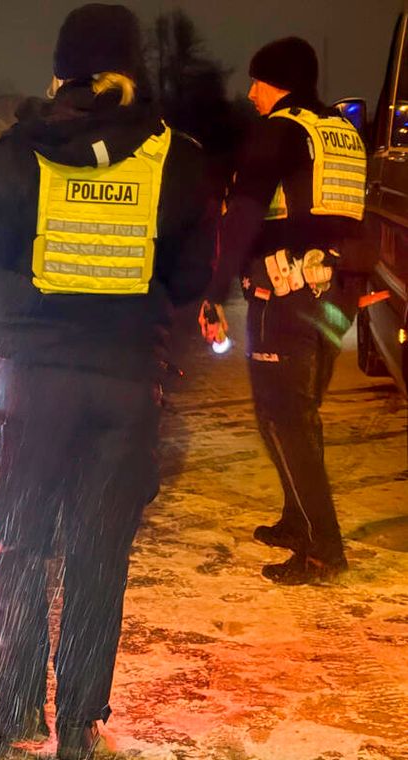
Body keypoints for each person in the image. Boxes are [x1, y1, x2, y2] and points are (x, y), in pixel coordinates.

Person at [0, 4, 216, 757]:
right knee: (96, 557)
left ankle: (14, 712)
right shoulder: (176, 159)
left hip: (27, 384)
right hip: (124, 386)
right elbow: (189, 281)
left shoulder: (15, 153)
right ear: (130, 70)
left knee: (14, 545)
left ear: (60, 73)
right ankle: (81, 726)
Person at [198, 37, 366, 586]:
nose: (250, 94)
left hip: (286, 290)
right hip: (334, 295)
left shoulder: (280, 131)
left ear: (280, 82)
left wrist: (216, 291)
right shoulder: (341, 132)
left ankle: (323, 550)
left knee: (285, 418)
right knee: (296, 413)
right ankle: (298, 520)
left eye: (257, 82)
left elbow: (242, 216)